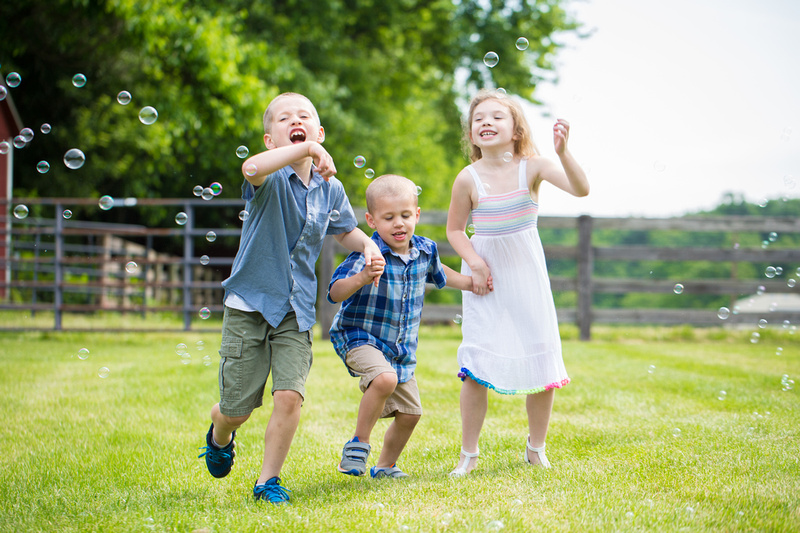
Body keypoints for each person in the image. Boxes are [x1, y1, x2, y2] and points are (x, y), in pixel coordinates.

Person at [198, 92, 383, 504]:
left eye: (304, 117)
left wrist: (368, 246)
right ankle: (220, 429)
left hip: (296, 310)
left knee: (289, 395)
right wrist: (307, 149)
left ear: (320, 130)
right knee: (237, 409)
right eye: (284, 119)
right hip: (250, 304)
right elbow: (250, 168)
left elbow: (343, 230)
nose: (294, 120)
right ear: (270, 140)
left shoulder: (330, 189)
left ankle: (268, 482)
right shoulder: (270, 178)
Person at [445, 89, 589, 475]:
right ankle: (469, 454)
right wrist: (474, 263)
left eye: (496, 117)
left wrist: (562, 153)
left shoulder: (534, 167)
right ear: (472, 135)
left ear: (516, 130)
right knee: (476, 362)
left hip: (527, 277)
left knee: (541, 358)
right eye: (478, 119)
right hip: (485, 280)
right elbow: (455, 230)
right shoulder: (468, 178)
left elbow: (581, 188)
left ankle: (536, 447)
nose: (486, 122)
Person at [328, 174, 483, 479]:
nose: (398, 224)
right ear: (371, 220)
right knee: (384, 380)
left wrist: (470, 282)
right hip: (359, 337)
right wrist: (361, 277)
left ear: (417, 215)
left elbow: (440, 275)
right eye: (388, 218)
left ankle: (385, 466)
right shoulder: (369, 253)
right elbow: (335, 292)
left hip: (400, 348)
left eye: (404, 215)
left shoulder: (425, 251)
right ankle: (358, 444)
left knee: (411, 413)